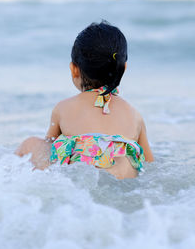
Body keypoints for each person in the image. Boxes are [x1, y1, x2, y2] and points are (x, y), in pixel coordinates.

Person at [16, 21, 154, 179]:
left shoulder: (63, 108)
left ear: (74, 69)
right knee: (128, 163)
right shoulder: (135, 115)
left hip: (81, 166)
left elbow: (50, 147)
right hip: (120, 168)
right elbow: (150, 164)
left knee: (32, 143)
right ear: (123, 69)